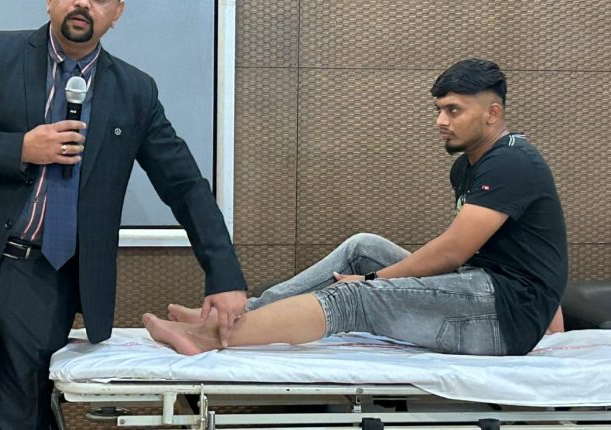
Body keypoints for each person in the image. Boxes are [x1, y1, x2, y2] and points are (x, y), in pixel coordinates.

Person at [0, 0, 247, 428]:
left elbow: (184, 185)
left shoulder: (135, 91)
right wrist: (19, 148)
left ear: (117, 13)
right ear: (50, 1)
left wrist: (224, 274)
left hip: (48, 281)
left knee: (25, 419)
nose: (84, 3)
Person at [144, 58, 568, 357]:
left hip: (501, 316)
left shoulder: (512, 161)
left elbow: (453, 251)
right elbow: (531, 251)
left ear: (493, 113)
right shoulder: (468, 167)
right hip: (488, 294)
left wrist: (373, 280)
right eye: (439, 109)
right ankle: (243, 315)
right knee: (361, 247)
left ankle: (212, 338)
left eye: (453, 110)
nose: (441, 121)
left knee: (355, 296)